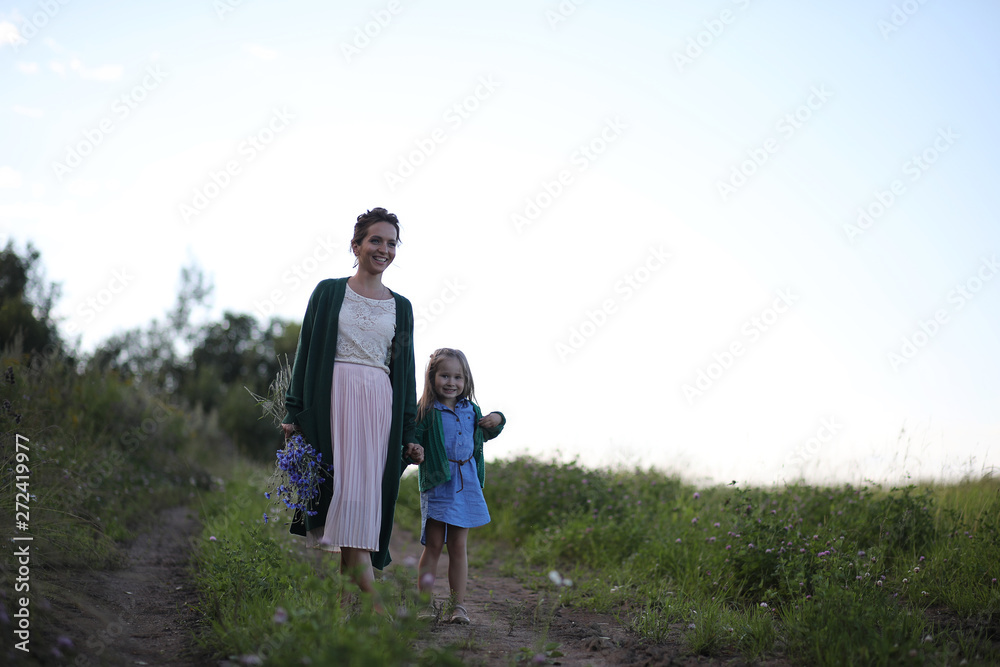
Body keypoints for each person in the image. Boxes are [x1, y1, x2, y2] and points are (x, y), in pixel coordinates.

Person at [281, 207, 424, 610]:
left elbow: (406, 372)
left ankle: (350, 611)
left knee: (362, 504)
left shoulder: (402, 307)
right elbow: (306, 353)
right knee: (339, 496)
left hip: (378, 407)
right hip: (333, 403)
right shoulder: (328, 292)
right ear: (356, 245)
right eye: (376, 240)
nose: (384, 249)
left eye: (391, 242)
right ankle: (377, 613)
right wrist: (294, 411)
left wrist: (408, 432)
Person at [414, 348, 505, 624]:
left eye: (458, 377)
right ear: (432, 378)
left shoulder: (471, 410)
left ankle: (458, 607)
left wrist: (498, 417)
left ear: (466, 381)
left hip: (467, 484)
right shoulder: (427, 412)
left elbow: (491, 429)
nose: (451, 382)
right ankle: (425, 605)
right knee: (433, 545)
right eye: (444, 375)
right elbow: (414, 440)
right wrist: (415, 450)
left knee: (458, 546)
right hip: (438, 484)